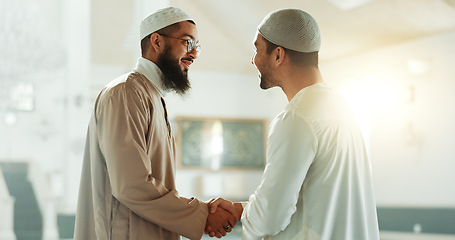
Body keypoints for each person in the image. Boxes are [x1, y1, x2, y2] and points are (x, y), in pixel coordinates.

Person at [208, 8, 380, 240]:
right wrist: (241, 209)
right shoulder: (341, 107)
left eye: (257, 48)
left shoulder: (297, 117)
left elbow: (270, 218)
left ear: (278, 55)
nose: (253, 59)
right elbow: (310, 198)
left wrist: (244, 215)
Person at [74, 7, 239, 240]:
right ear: (157, 41)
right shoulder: (125, 93)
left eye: (197, 47)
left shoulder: (151, 95)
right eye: (187, 43)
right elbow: (131, 185)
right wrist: (202, 214)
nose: (193, 54)